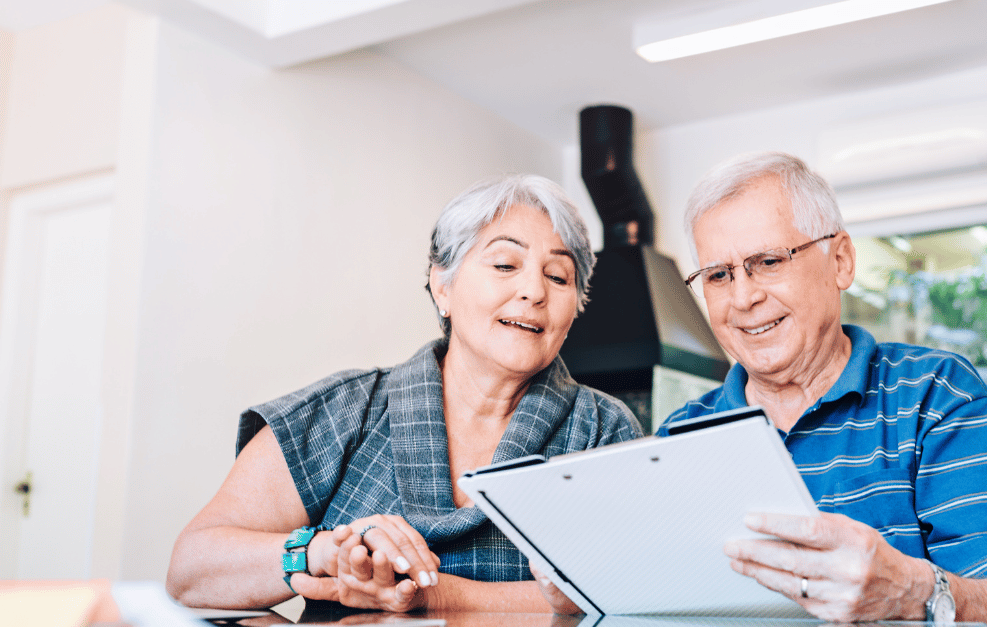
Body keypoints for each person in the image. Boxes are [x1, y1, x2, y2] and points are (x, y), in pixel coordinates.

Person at [166, 174, 641, 613]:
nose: (534, 290)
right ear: (443, 286)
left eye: (558, 277)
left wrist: (429, 594)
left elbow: (630, 589)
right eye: (504, 263)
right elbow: (190, 571)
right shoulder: (345, 410)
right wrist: (326, 552)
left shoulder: (603, 430)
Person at [658, 152, 987, 626]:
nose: (744, 298)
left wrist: (913, 591)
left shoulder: (937, 395)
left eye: (767, 261)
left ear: (841, 262)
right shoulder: (679, 437)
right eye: (718, 275)